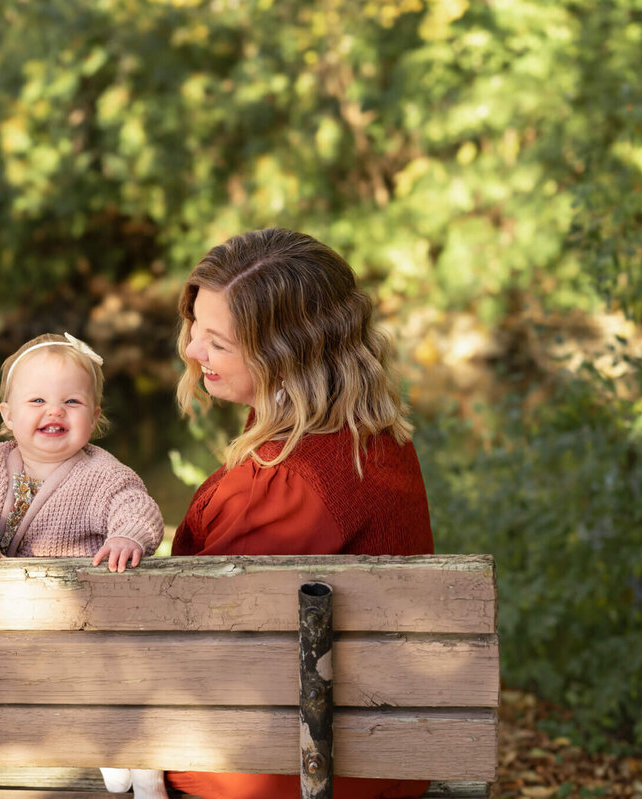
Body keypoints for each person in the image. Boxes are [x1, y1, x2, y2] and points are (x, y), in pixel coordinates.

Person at [165, 228, 434, 799]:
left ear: (283, 357)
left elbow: (204, 646)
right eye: (196, 328)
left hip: (306, 765)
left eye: (217, 341)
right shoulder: (375, 436)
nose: (192, 350)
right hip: (386, 749)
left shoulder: (283, 483)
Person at [0, 332, 167, 799]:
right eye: (37, 400)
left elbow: (136, 505)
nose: (54, 411)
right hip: (12, 621)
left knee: (110, 670)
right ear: (8, 415)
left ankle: (137, 755)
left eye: (72, 401)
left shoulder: (104, 473)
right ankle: (101, 738)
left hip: (84, 616)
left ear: (95, 416)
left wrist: (128, 535)